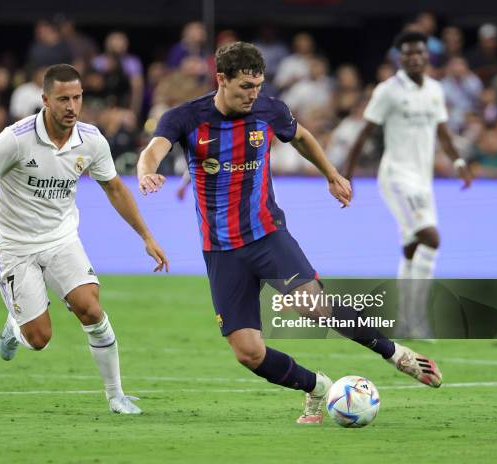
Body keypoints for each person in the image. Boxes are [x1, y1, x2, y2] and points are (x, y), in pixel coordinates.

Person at [137, 42, 442, 425]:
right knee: (248, 352)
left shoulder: (269, 110)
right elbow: (154, 148)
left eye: (258, 85)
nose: (253, 95)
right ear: (221, 80)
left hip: (268, 234)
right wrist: (147, 171)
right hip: (221, 250)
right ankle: (316, 387)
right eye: (245, 87)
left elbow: (300, 137)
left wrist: (331, 173)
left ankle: (397, 354)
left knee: (311, 305)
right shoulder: (186, 117)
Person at [0, 64, 168, 415]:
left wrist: (146, 236)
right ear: (45, 100)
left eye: (77, 97)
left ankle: (116, 396)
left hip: (61, 238)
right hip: (15, 243)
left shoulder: (90, 140)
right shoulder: (16, 138)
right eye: (63, 99)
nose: (72, 106)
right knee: (39, 339)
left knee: (91, 307)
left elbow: (115, 187)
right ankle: (15, 325)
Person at [345, 32, 473, 338]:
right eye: (408, 54)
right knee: (431, 238)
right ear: (399, 58)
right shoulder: (388, 91)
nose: (414, 58)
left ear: (427, 56)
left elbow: (442, 131)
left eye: (419, 53)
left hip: (423, 180)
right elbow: (365, 132)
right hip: (396, 177)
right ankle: (419, 321)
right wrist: (344, 173)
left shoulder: (434, 90)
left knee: (412, 247)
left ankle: (406, 322)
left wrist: (458, 162)